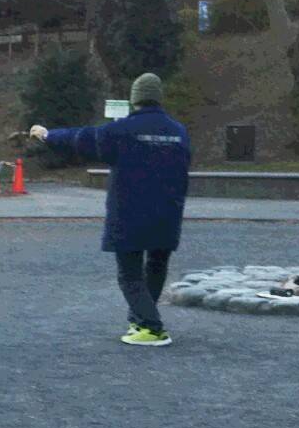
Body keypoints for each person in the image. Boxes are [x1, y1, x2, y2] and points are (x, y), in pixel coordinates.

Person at [30, 72, 191, 347]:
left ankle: (151, 328)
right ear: (158, 98)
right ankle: (141, 318)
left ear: (135, 99)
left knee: (129, 274)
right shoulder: (179, 132)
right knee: (156, 266)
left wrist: (47, 135)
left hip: (130, 212)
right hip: (168, 212)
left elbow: (81, 138)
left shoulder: (122, 130)